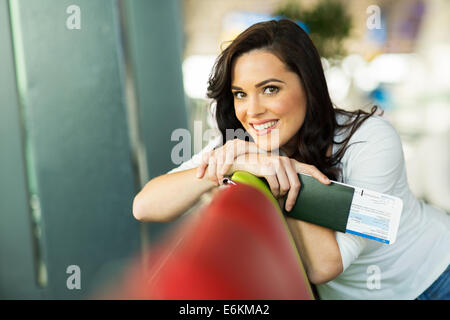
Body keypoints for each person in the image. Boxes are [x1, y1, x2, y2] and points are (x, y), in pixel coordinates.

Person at [132, 19, 449, 300]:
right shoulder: (246, 145)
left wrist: (280, 167)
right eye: (240, 93)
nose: (252, 110)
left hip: (436, 276)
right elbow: (145, 206)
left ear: (308, 87)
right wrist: (230, 164)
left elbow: (325, 265)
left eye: (270, 89)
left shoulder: (371, 140)